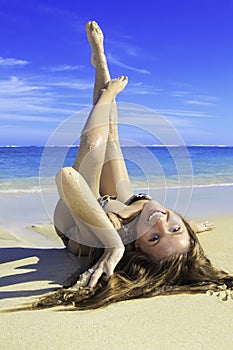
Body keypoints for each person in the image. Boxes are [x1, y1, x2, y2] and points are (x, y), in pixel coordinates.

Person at [35, 21, 233, 310]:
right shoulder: (151, 220)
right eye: (175, 228)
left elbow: (67, 178)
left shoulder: (109, 240)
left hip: (78, 211)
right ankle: (99, 59)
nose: (161, 222)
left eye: (155, 237)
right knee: (112, 136)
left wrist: (113, 244)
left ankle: (103, 86)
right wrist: (189, 227)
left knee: (93, 148)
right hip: (118, 202)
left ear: (137, 247)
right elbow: (164, 217)